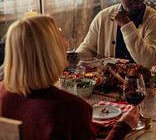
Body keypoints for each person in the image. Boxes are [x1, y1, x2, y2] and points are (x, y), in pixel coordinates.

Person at [0, 15, 139, 140]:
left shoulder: (2, 91)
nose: (66, 44)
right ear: (50, 51)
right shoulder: (70, 108)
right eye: (60, 37)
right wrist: (122, 127)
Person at [76, 0, 156, 68]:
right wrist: (74, 57)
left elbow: (148, 62)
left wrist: (126, 25)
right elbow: (89, 49)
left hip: (140, 80)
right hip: (108, 77)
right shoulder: (103, 17)